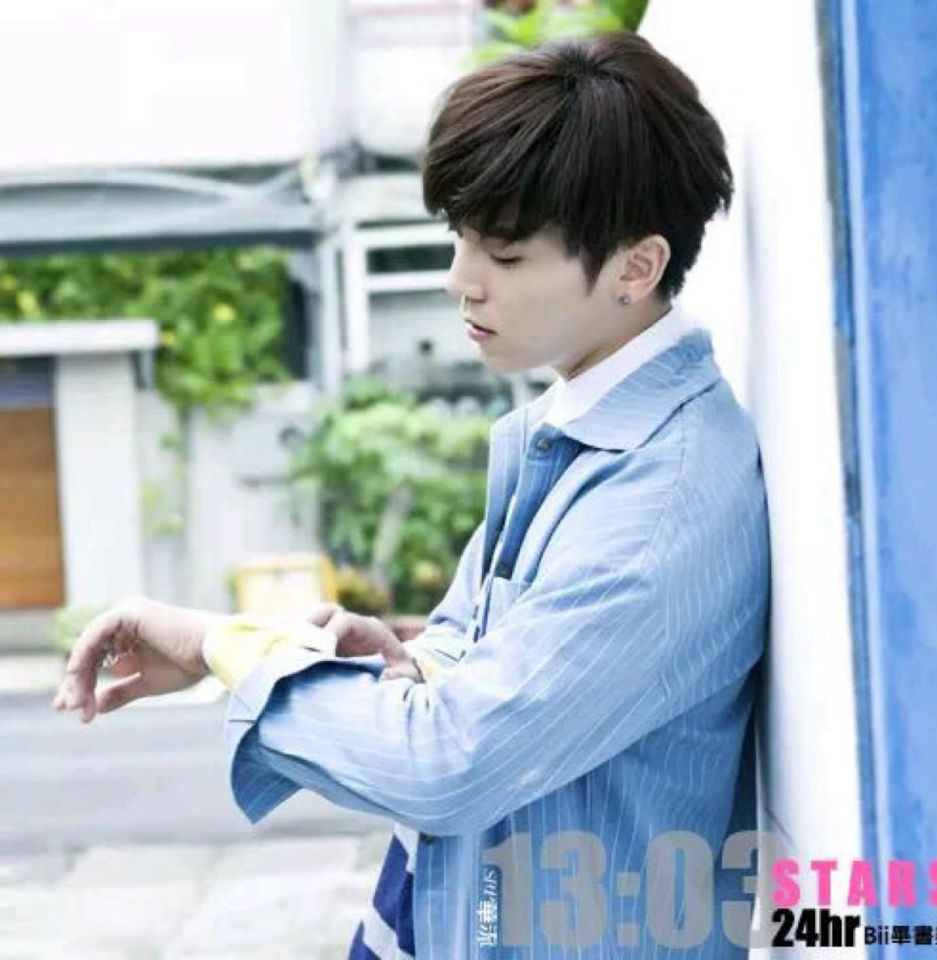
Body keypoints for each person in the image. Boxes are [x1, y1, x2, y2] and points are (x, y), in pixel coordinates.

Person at [53, 31, 771, 959]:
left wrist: (219, 645)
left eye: (505, 254)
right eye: (460, 238)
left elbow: (448, 760)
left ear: (636, 266)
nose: (460, 281)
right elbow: (487, 685)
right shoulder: (575, 435)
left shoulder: (659, 500)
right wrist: (412, 663)